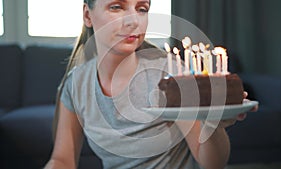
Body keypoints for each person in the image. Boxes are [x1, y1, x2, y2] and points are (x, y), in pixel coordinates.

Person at [44, 0, 257, 169]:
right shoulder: (76, 84)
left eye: (142, 8)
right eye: (116, 7)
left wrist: (212, 124)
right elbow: (63, 160)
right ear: (87, 15)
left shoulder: (169, 75)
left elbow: (212, 163)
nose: (133, 21)